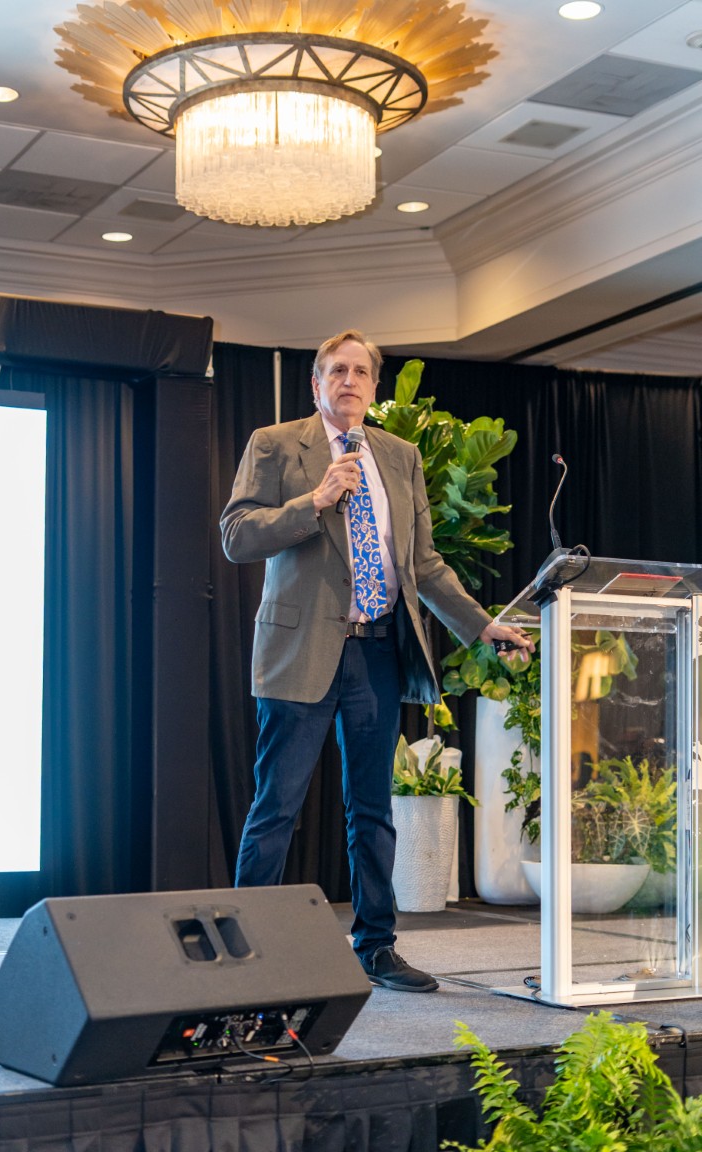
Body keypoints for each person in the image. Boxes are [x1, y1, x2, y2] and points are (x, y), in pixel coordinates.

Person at [220, 329, 533, 993]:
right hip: (299, 651)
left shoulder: (400, 455)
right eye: (337, 370)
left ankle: (377, 947)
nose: (350, 381)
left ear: (373, 385)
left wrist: (481, 627)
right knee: (277, 807)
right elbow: (237, 536)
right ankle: (247, 955)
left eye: (361, 372)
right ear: (316, 384)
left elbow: (424, 564)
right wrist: (314, 501)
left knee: (373, 812)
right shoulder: (276, 444)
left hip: (378, 651)